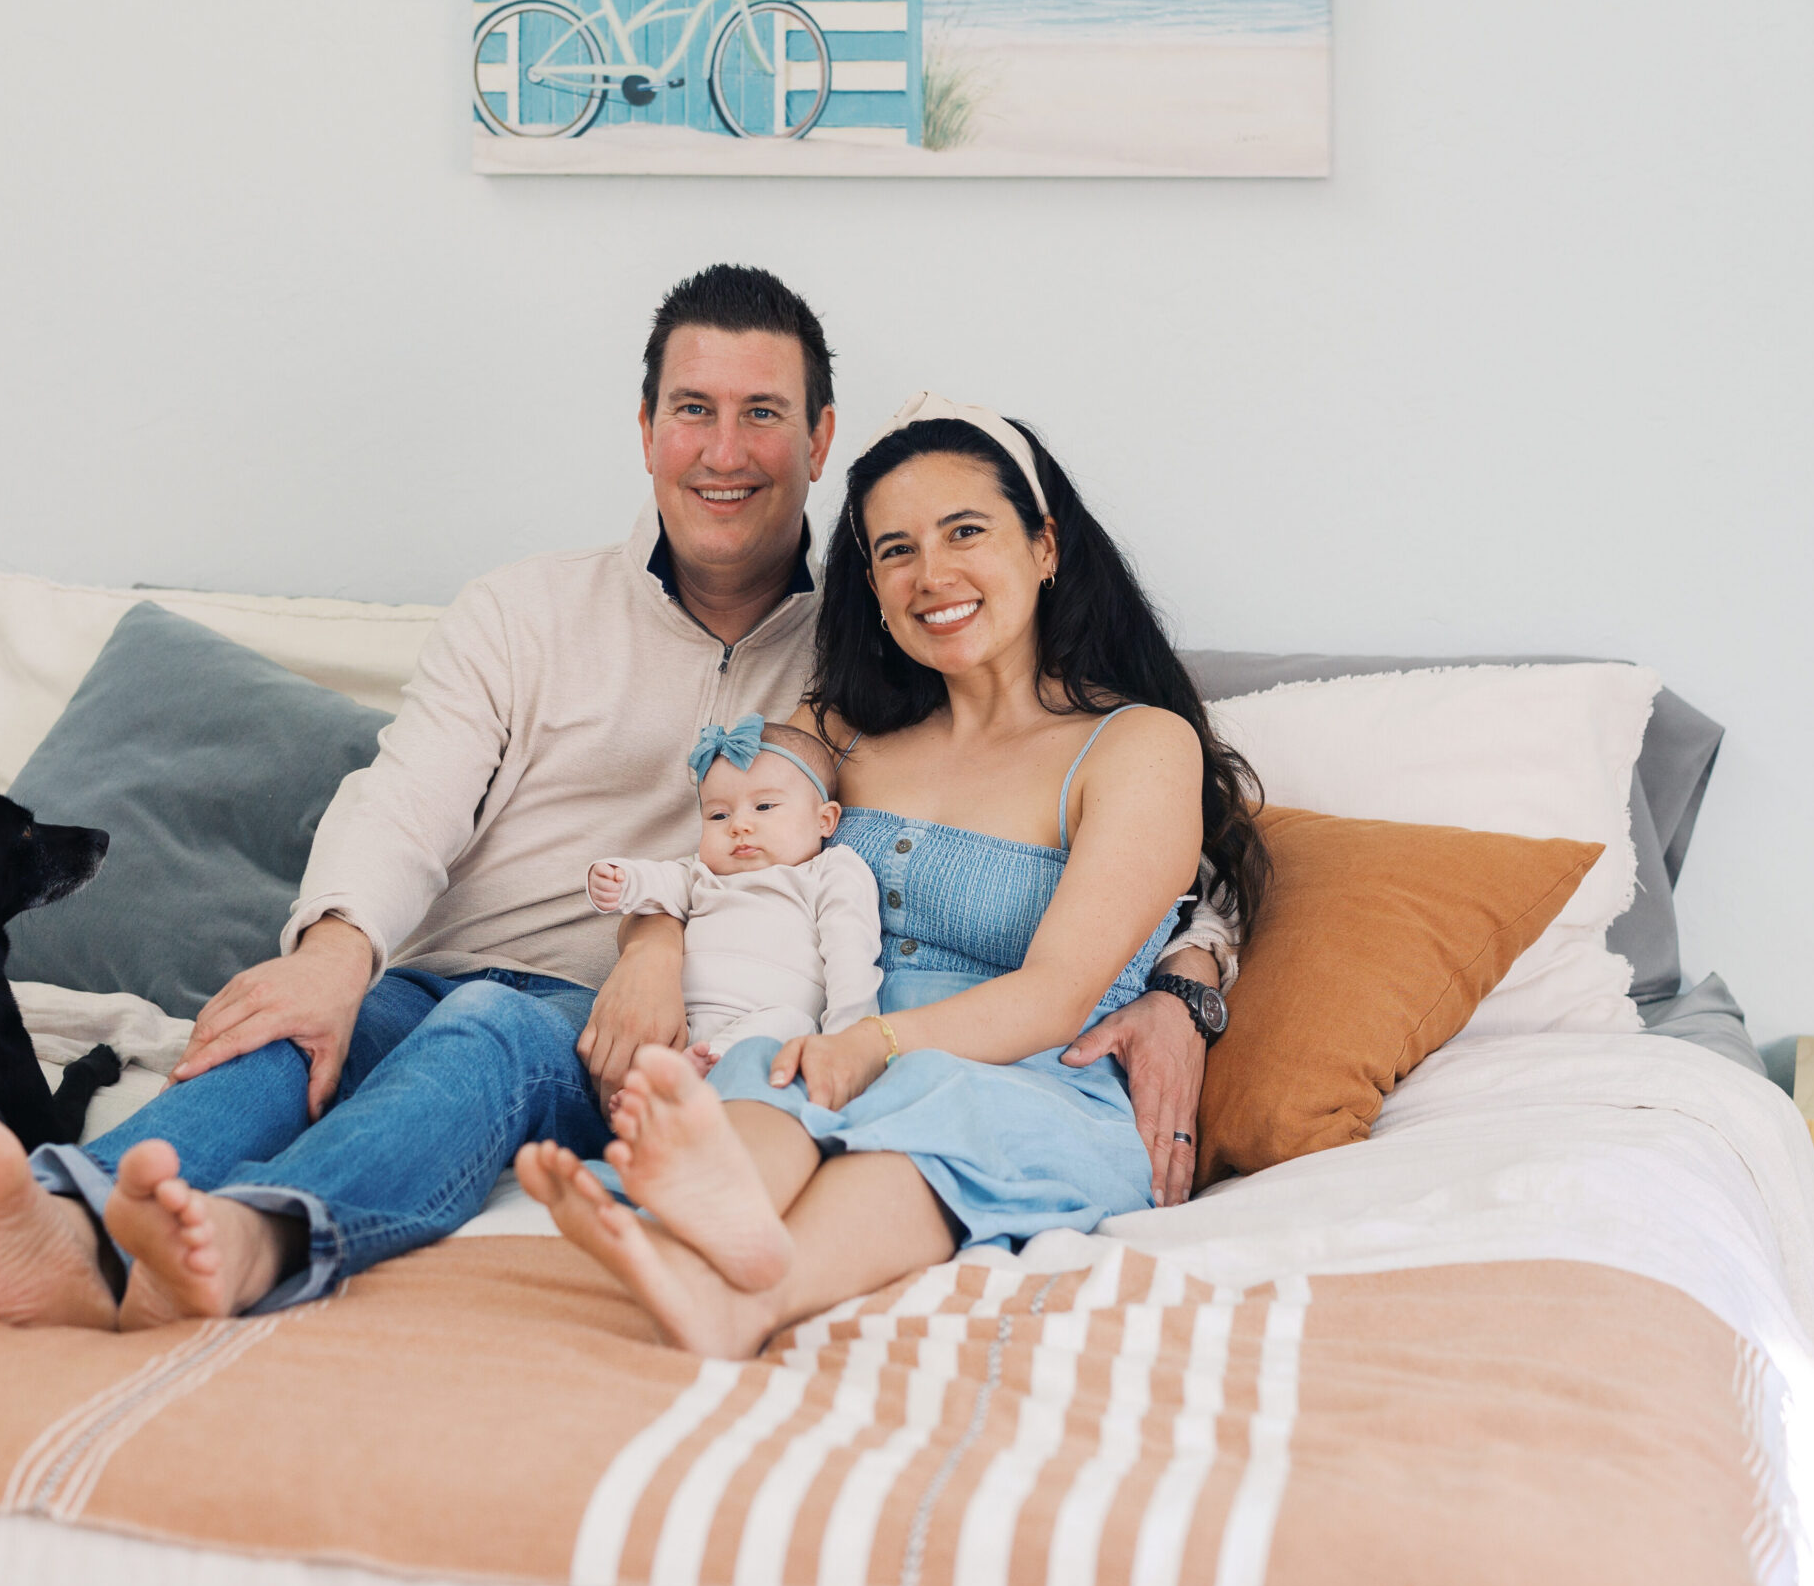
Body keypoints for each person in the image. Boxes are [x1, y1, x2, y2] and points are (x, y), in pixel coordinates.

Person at [0, 272, 1239, 1333]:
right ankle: (65, 1222)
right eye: (692, 410)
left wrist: (1184, 988)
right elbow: (404, 796)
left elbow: (1179, 859)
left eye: (763, 412)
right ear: (644, 427)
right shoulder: (563, 621)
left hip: (613, 1034)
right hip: (475, 974)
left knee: (486, 1025)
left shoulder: (879, 669)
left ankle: (268, 1236)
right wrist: (336, 953)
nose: (724, 449)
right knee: (303, 1020)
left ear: (819, 439)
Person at [514, 392, 1269, 1355]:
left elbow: (1053, 995)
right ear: (869, 583)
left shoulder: (1135, 746)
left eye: (966, 531)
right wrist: (653, 944)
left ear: (1045, 546)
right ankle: (708, 1223)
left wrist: (874, 1042)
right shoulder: (836, 735)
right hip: (824, 1040)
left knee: (937, 1114)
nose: (932, 573)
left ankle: (740, 1300)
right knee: (763, 1070)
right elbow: (710, 865)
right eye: (895, 550)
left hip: (1026, 1072)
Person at [586, 716, 881, 1078]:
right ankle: (653, 1092)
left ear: (825, 820)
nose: (738, 825)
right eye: (718, 814)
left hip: (767, 1024)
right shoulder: (702, 874)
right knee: (639, 1040)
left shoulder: (829, 871)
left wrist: (847, 1040)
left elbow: (850, 955)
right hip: (684, 1022)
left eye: (764, 807)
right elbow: (658, 883)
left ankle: (702, 1071)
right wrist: (621, 879)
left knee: (792, 1021)